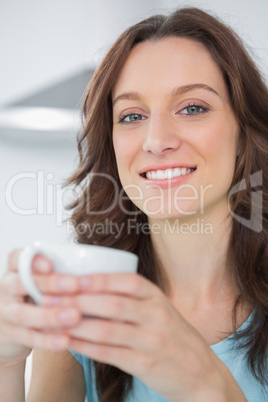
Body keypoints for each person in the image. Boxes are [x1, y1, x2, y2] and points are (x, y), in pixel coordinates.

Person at [0, 6, 267, 402]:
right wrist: (6, 364)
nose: (156, 140)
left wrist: (209, 387)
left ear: (244, 133)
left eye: (192, 107)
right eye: (132, 115)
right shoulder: (79, 309)